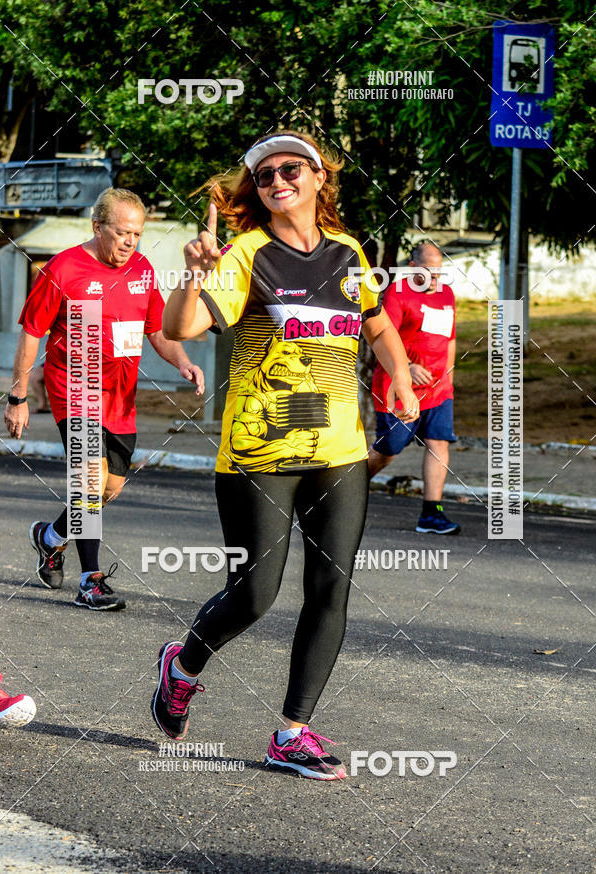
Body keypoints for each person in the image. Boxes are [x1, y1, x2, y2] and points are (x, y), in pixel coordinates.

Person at [151, 130, 419, 780]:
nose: (277, 179)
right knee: (254, 595)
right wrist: (194, 273)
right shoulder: (247, 253)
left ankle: (291, 733)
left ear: (318, 176)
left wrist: (402, 382)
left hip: (339, 450)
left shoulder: (349, 252)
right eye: (264, 174)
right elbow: (180, 328)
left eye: (290, 168)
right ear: (259, 191)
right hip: (257, 450)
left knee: (331, 590)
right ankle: (181, 667)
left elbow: (377, 324)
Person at [3, 188, 204, 611]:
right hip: (73, 390)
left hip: (120, 400)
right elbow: (31, 333)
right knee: (89, 483)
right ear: (98, 227)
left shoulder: (142, 270)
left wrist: (182, 362)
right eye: (121, 232)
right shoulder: (63, 270)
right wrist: (18, 395)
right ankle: (90, 582)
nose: (130, 242)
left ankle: (50, 538)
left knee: (105, 490)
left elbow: (158, 331)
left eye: (137, 233)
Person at [368, 241, 460, 534]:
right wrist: (405, 367)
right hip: (398, 388)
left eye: (439, 273)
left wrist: (449, 375)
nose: (435, 280)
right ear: (412, 269)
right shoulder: (397, 293)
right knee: (389, 450)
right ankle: (343, 491)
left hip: (438, 390)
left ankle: (431, 514)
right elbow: (381, 337)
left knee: (438, 443)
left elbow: (451, 338)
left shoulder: (447, 294)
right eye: (429, 273)